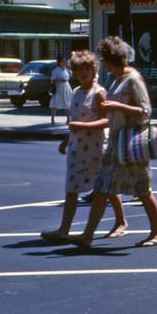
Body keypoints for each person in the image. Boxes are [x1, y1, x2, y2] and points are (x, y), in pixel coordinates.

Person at [66, 35, 157, 248]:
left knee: (142, 189)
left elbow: (145, 111)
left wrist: (118, 107)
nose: (103, 63)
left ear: (111, 60)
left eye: (105, 59)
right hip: (116, 140)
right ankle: (87, 235)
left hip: (130, 142)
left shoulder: (132, 79)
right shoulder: (117, 78)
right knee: (102, 186)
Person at [40, 50, 126, 242]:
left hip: (97, 148)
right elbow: (75, 120)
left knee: (105, 188)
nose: (83, 73)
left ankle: (121, 221)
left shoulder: (99, 93)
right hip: (77, 148)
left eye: (87, 69)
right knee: (71, 188)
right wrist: (66, 140)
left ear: (94, 69)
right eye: (79, 70)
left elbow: (107, 121)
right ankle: (64, 229)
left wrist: (83, 126)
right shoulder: (77, 92)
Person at [50, 55, 73, 125]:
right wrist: (59, 80)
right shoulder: (56, 70)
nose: (65, 62)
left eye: (65, 61)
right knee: (56, 103)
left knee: (67, 102)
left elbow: (69, 76)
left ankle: (68, 119)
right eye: (63, 61)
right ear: (60, 62)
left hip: (66, 87)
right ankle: (53, 118)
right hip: (59, 87)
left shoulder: (66, 69)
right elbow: (52, 80)